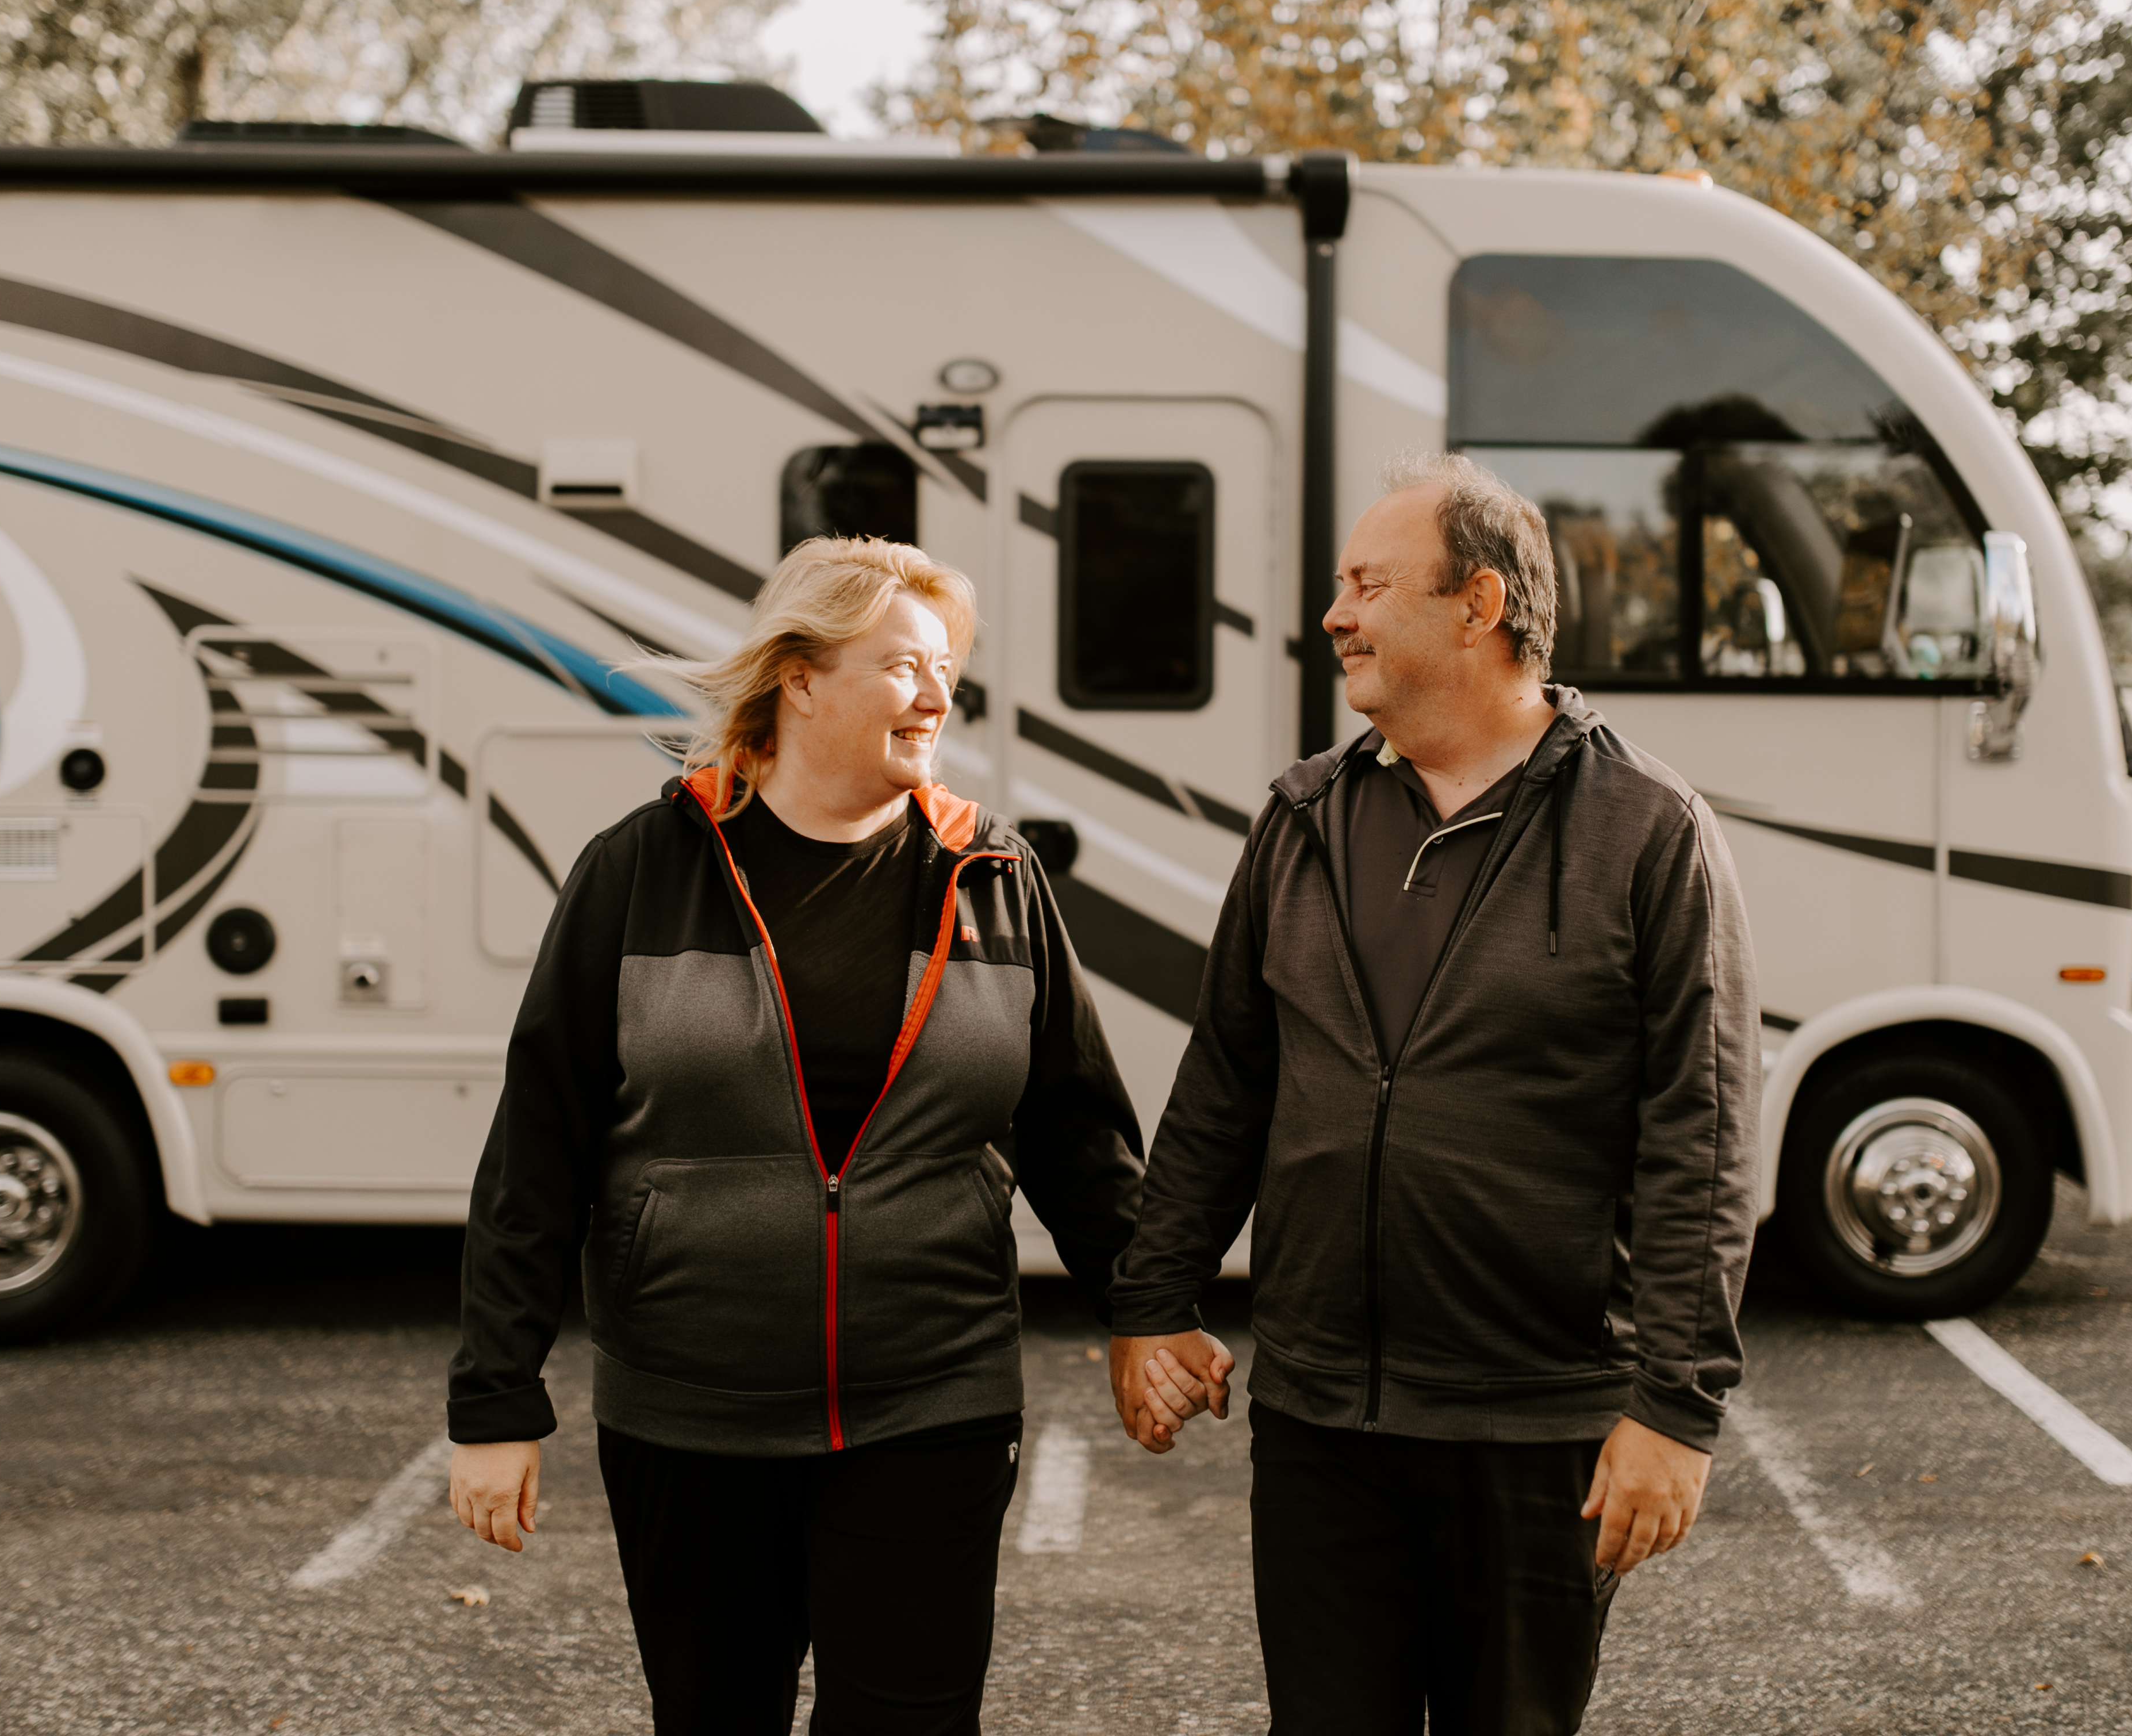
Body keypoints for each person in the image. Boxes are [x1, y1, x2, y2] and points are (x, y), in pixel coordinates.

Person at [1103, 453, 1760, 1736]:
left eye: (1366, 584)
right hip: (1319, 1424)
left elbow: (1707, 1129)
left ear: (1480, 605)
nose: (1335, 614)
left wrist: (1675, 1407)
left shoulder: (1648, 831)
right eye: (1340, 587)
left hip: (1537, 1431)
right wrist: (1150, 1297)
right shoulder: (1300, 819)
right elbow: (1229, 1080)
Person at [446, 536, 1144, 1736]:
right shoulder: (642, 870)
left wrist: (1150, 1309)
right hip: (690, 1416)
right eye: (906, 665)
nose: (938, 697)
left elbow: (1078, 1134)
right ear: (801, 677)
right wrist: (494, 1400)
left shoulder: (991, 874)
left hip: (934, 1402)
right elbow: (538, 1152)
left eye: (948, 672)